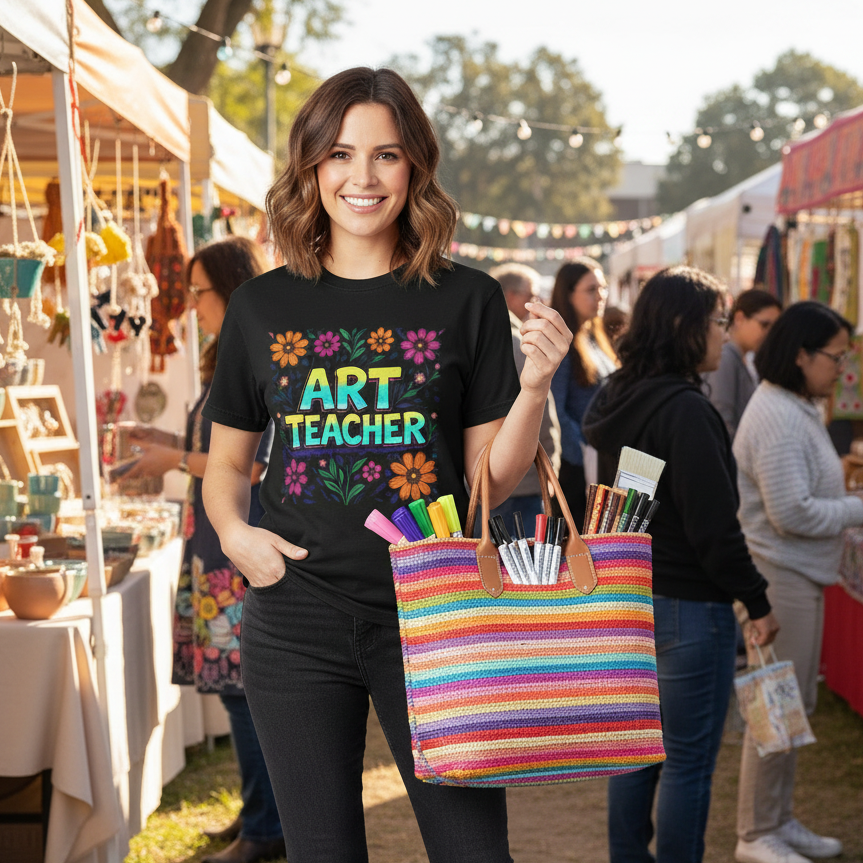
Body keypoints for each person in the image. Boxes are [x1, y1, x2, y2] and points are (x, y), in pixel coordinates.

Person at [200, 67, 572, 862]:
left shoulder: (465, 299)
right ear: (310, 166)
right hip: (295, 615)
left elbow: (491, 481)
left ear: (415, 168)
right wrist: (236, 534)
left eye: (386, 156)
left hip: (436, 612)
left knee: (474, 853)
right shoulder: (261, 307)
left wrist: (534, 388)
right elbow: (227, 463)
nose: (361, 178)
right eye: (339, 154)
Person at [582, 265, 779, 863]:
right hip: (690, 607)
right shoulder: (685, 410)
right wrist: (759, 599)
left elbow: (646, 499)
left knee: (636, 752)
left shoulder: (622, 396)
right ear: (681, 326)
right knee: (688, 761)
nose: (723, 334)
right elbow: (714, 529)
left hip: (632, 597)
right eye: (717, 322)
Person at [127, 237, 283, 863]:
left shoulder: (255, 353)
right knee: (235, 694)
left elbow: (255, 466)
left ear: (230, 288)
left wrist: (172, 458)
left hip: (237, 551)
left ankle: (266, 830)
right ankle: (257, 815)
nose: (191, 305)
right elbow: (219, 446)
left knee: (246, 698)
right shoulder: (229, 353)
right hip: (217, 549)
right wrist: (163, 438)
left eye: (198, 292)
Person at [733, 301, 861, 863]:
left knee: (789, 705)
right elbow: (794, 513)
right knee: (777, 707)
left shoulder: (791, 405)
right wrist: (857, 509)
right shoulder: (779, 415)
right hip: (777, 576)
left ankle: (776, 820)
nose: (842, 368)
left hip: (791, 573)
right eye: (836, 356)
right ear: (802, 355)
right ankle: (756, 832)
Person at [487, 262, 561, 527]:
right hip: (521, 483)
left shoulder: (481, 337)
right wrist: (549, 472)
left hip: (489, 482)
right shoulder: (516, 343)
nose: (537, 302)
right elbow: (541, 418)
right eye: (531, 296)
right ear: (509, 296)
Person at [549, 259, 618, 528]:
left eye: (602, 287)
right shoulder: (561, 342)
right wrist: (582, 452)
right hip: (576, 470)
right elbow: (554, 408)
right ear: (568, 294)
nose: (600, 295)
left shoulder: (592, 335)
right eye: (591, 289)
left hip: (597, 461)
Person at [703, 289, 782, 438]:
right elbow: (722, 419)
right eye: (765, 325)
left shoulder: (742, 358)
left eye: (774, 328)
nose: (769, 334)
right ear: (740, 318)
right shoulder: (725, 357)